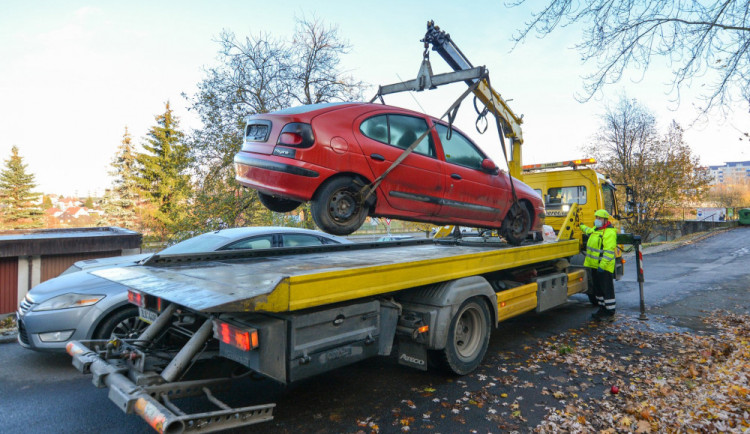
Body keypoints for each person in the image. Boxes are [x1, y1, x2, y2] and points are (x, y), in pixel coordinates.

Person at [580, 209, 618, 321]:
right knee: (598, 290)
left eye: (599, 218)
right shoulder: (596, 230)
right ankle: (602, 309)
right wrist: (581, 225)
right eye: (596, 218)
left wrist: (602, 266)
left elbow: (609, 252)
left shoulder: (609, 232)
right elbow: (588, 231)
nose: (597, 220)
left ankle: (610, 312)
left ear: (605, 220)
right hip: (594, 266)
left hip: (604, 267)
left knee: (607, 290)